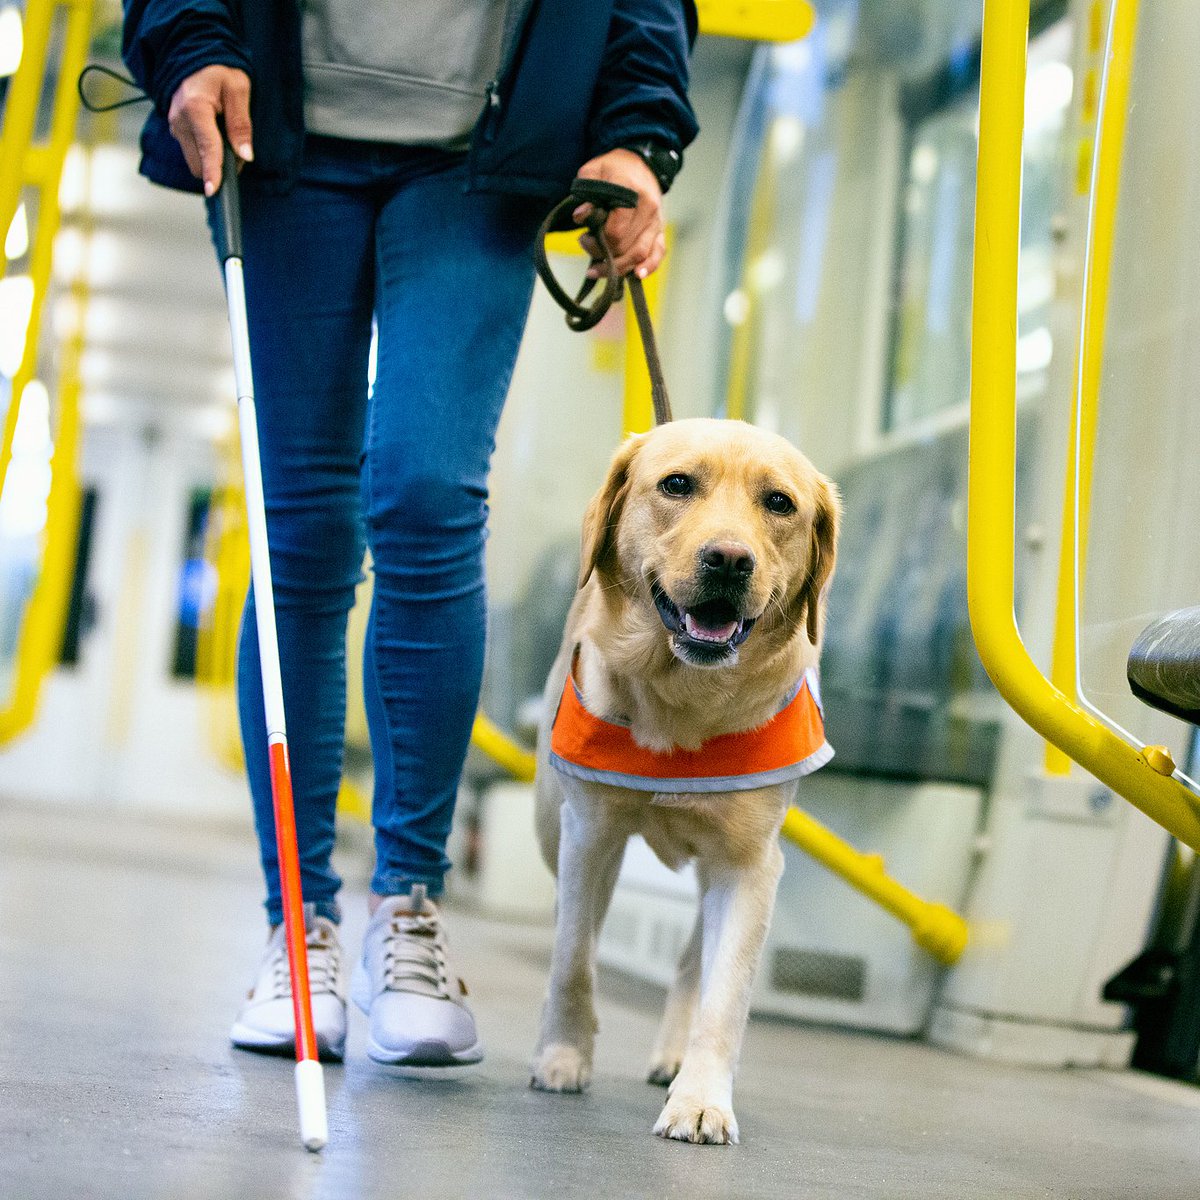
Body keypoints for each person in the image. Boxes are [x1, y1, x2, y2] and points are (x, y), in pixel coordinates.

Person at [121, 0, 698, 1067]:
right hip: (278, 137)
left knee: (429, 495)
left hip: (484, 152)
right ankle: (297, 928)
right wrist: (191, 45)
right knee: (302, 529)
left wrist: (635, 127)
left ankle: (408, 907)